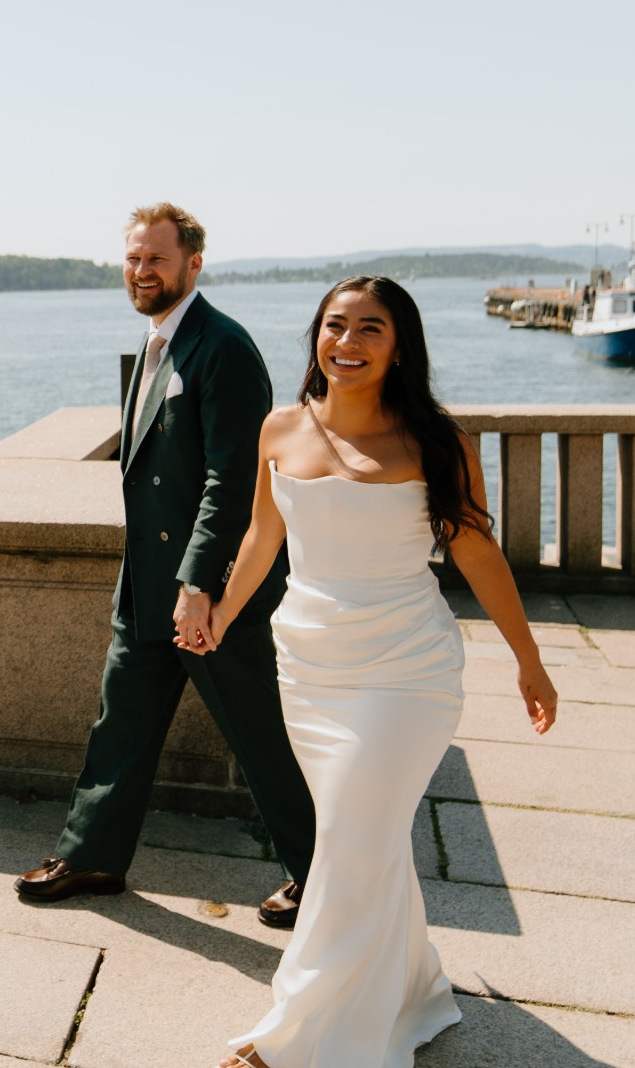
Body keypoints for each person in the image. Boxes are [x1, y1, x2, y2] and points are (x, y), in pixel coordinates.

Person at [203, 276, 557, 1068]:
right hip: (310, 663)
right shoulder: (280, 428)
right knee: (360, 837)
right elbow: (264, 537)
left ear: (400, 347)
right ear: (317, 337)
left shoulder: (437, 441)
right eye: (335, 326)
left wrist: (528, 661)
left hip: (407, 668)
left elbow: (477, 550)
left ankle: (293, 1034)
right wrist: (223, 612)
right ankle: (409, 990)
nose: (348, 342)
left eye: (371, 328)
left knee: (352, 839)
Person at [17, 203, 317, 932]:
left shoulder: (223, 348)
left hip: (210, 592)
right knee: (119, 722)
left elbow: (233, 479)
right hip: (147, 587)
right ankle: (92, 854)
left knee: (261, 737)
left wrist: (197, 585)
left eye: (156, 257)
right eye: (132, 258)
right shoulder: (157, 343)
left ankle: (322, 876)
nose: (142, 270)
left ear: (193, 264)